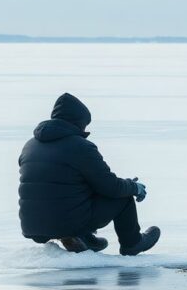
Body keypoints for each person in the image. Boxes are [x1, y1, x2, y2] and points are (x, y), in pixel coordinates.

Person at [18, 93, 161, 254]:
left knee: (72, 186)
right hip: (66, 222)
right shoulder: (80, 146)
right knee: (123, 197)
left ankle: (82, 237)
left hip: (33, 225)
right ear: (79, 122)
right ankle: (132, 243)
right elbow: (110, 187)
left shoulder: (29, 145)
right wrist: (133, 187)